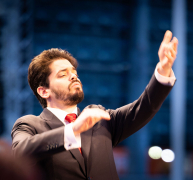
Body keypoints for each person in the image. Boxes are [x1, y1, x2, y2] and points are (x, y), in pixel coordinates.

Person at [11, 30, 178, 180]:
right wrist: (73, 130)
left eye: (74, 72)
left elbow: (144, 107)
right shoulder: (30, 125)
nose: (73, 76)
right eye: (63, 74)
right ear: (44, 91)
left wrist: (163, 71)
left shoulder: (101, 119)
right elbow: (21, 152)